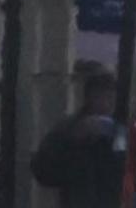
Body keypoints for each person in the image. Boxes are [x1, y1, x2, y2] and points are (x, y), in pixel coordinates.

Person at [26, 70, 127, 208]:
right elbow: (42, 170)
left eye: (110, 99)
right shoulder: (68, 129)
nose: (106, 105)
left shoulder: (123, 130)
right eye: (99, 98)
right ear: (88, 99)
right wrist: (73, 140)